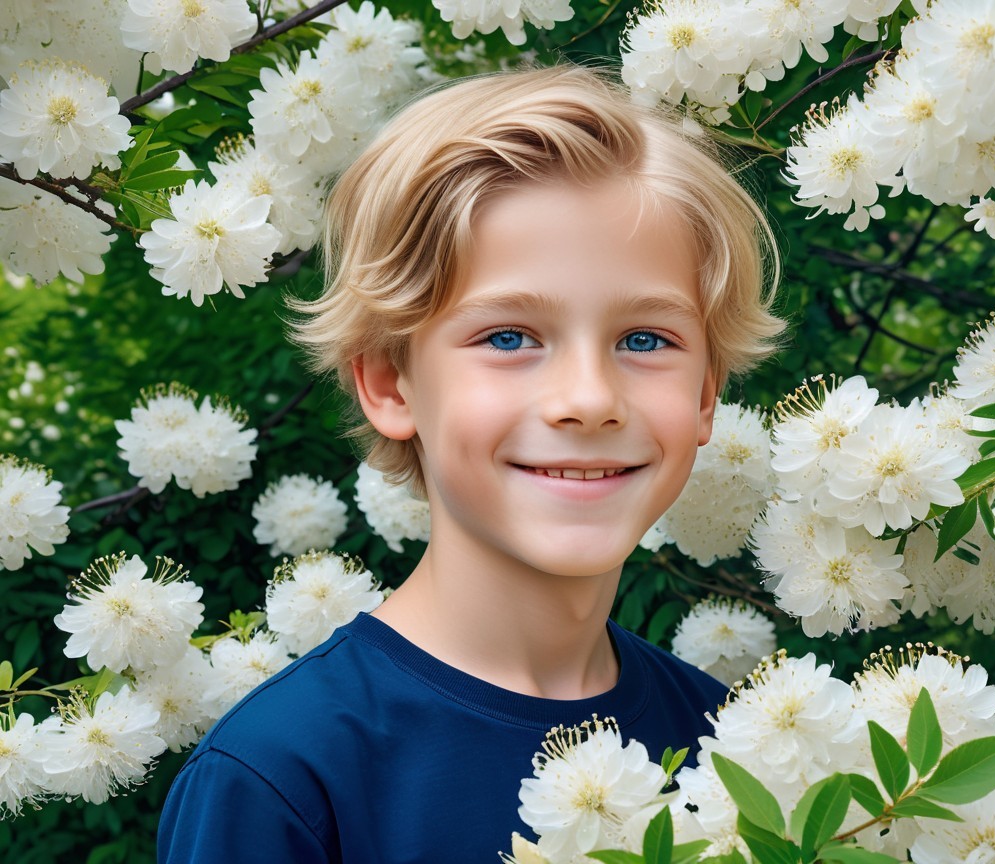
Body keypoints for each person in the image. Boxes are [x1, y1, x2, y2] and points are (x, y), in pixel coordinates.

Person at [157, 64, 783, 863]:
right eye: (509, 338)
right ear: (390, 383)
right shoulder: (282, 779)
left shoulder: (739, 747)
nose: (589, 400)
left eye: (644, 340)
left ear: (705, 395)